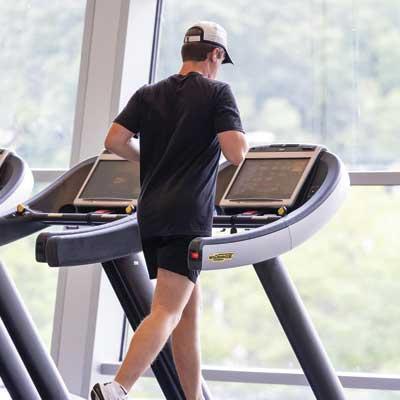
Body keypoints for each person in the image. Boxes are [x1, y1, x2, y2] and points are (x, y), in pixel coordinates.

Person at [90, 21, 248, 400]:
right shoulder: (216, 92)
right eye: (219, 61)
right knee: (166, 311)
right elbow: (236, 152)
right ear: (216, 55)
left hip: (153, 212)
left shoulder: (149, 93)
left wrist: (147, 160)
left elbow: (114, 140)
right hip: (187, 216)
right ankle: (118, 387)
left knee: (185, 314)